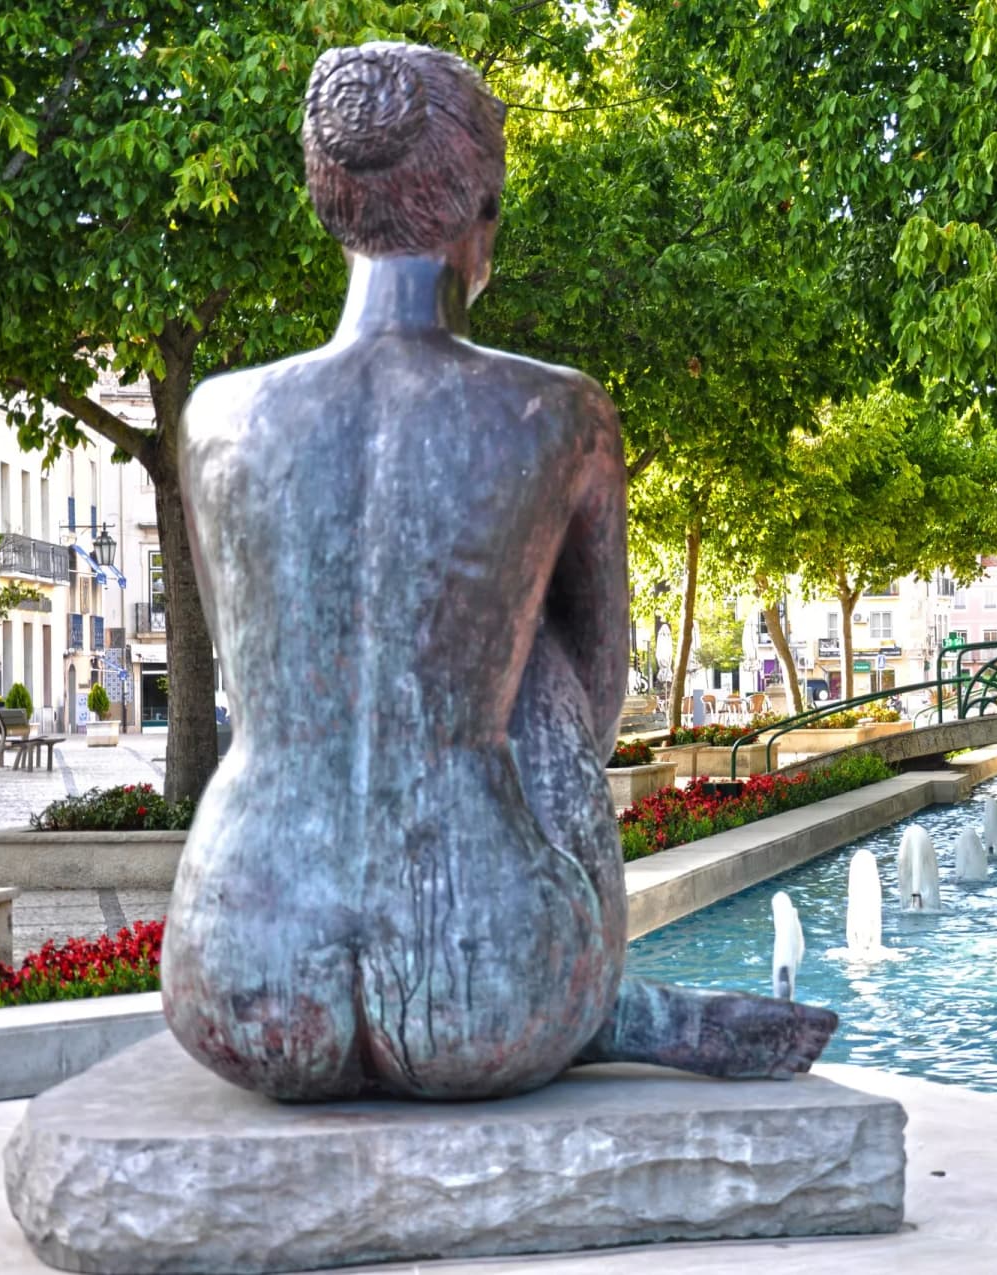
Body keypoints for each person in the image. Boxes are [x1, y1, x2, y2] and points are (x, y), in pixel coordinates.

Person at [162, 41, 833, 1103]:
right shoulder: (559, 413)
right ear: (480, 214)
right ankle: (609, 1003)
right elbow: (596, 699)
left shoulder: (216, 419)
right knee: (535, 672)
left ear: (326, 204)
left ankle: (598, 1002)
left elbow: (256, 671)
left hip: (237, 968)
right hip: (482, 989)